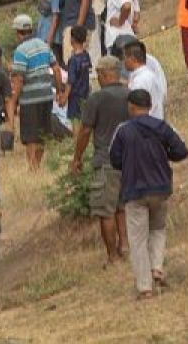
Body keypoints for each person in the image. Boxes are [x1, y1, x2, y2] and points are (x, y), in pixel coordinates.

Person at [109, 88, 188, 300]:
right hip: (160, 187)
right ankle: (157, 267)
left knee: (137, 239)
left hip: (134, 190)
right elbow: (182, 151)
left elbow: (114, 159)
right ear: (150, 106)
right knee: (158, 229)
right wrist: (165, 156)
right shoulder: (162, 126)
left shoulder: (123, 130)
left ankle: (145, 287)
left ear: (131, 107)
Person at [70, 55, 130, 266]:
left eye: (98, 74)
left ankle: (113, 256)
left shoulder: (96, 98)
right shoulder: (130, 95)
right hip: (129, 161)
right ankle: (125, 246)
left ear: (105, 74)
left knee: (106, 211)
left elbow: (85, 130)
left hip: (105, 160)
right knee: (122, 207)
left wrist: (77, 158)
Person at [9, 14, 63, 170]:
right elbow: (56, 68)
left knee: (30, 136)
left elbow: (18, 79)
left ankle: (33, 167)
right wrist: (59, 90)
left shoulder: (20, 51)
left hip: (29, 100)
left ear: (18, 33)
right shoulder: (44, 45)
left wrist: (15, 99)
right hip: (46, 97)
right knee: (42, 134)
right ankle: (37, 165)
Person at [123, 39, 166, 120]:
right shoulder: (149, 75)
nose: (123, 61)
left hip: (145, 125)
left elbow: (137, 108)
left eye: (125, 58)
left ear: (133, 59)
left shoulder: (140, 81)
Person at [63, 25, 91, 127]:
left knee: (75, 120)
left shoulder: (73, 60)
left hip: (75, 96)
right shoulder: (86, 55)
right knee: (83, 119)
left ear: (72, 39)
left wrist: (65, 97)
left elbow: (70, 81)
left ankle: (76, 141)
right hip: (85, 93)